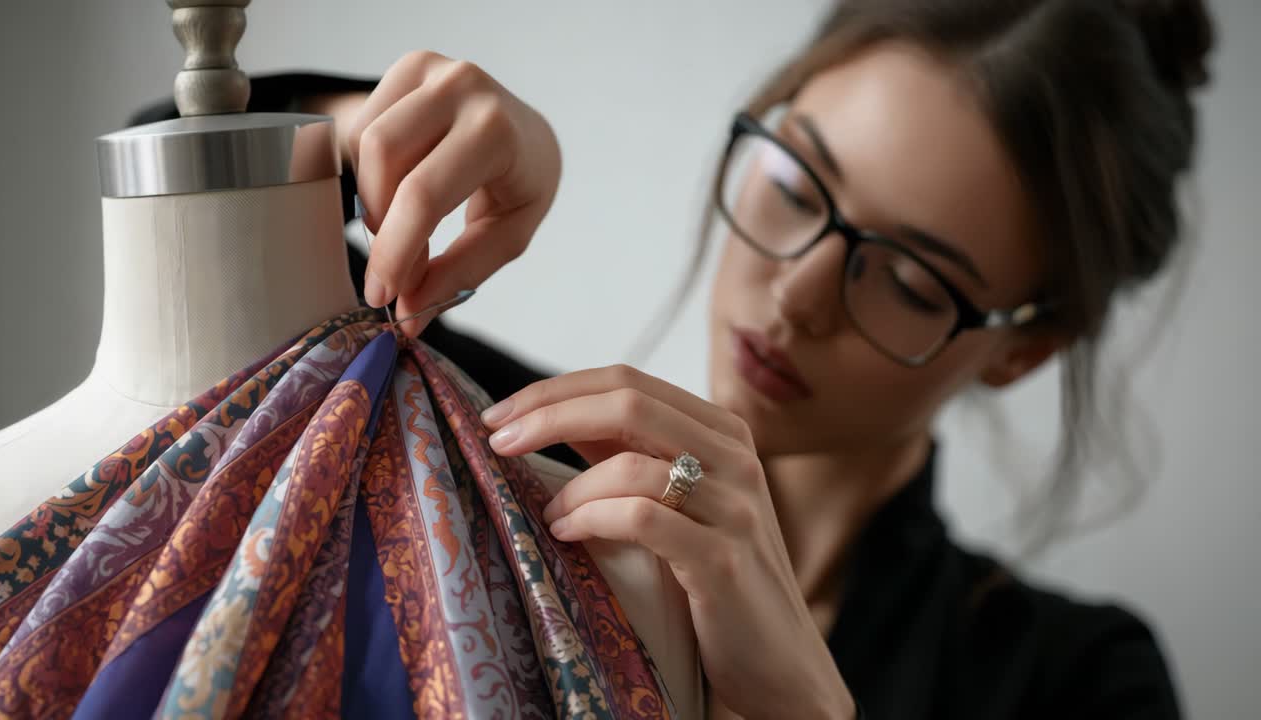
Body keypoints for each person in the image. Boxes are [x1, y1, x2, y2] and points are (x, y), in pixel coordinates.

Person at [137, 1, 1214, 716]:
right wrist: (372, 134)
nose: (793, 294)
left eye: (908, 279)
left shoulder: (1075, 681)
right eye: (795, 184)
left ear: (1024, 347)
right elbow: (187, 280)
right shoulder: (484, 447)